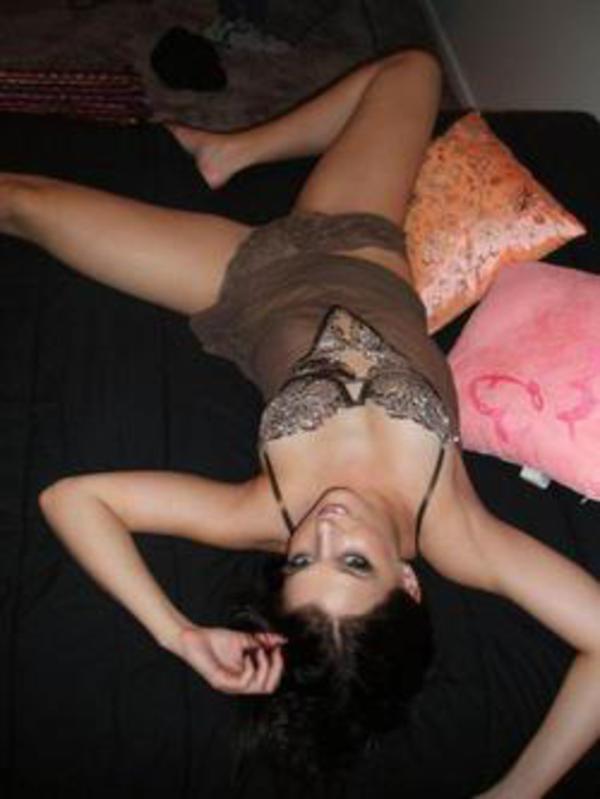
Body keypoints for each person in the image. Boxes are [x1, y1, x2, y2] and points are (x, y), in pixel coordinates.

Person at [1, 49, 598, 796]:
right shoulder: (458, 531)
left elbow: (73, 498)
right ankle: (233, 151)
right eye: (354, 562)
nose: (324, 530)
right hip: (356, 237)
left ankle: (228, 155)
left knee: (19, 201)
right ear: (408, 583)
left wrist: (177, 633)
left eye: (300, 563)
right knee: (414, 68)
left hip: (239, 279)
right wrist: (521, 791)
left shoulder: (266, 512)